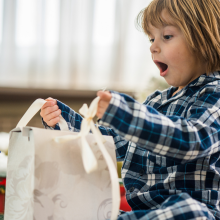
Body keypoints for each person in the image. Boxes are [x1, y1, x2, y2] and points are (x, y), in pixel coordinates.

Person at [40, 0, 220, 219]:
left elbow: (193, 140)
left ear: (203, 39)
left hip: (196, 212)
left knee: (191, 212)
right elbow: (111, 144)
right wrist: (64, 120)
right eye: (151, 38)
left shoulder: (214, 94)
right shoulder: (156, 102)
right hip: (144, 213)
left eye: (167, 36)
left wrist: (129, 117)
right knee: (83, 208)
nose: (153, 46)